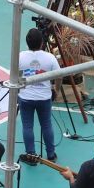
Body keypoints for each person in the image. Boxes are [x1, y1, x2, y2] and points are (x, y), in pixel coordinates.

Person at [18, 28, 59, 161]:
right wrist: (56, 89)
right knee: (46, 125)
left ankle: (31, 155)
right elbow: (59, 75)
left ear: (27, 42)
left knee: (27, 126)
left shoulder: (20, 56)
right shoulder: (50, 58)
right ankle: (51, 154)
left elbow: (17, 77)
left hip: (25, 97)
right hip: (44, 98)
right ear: (42, 42)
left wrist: (21, 90)